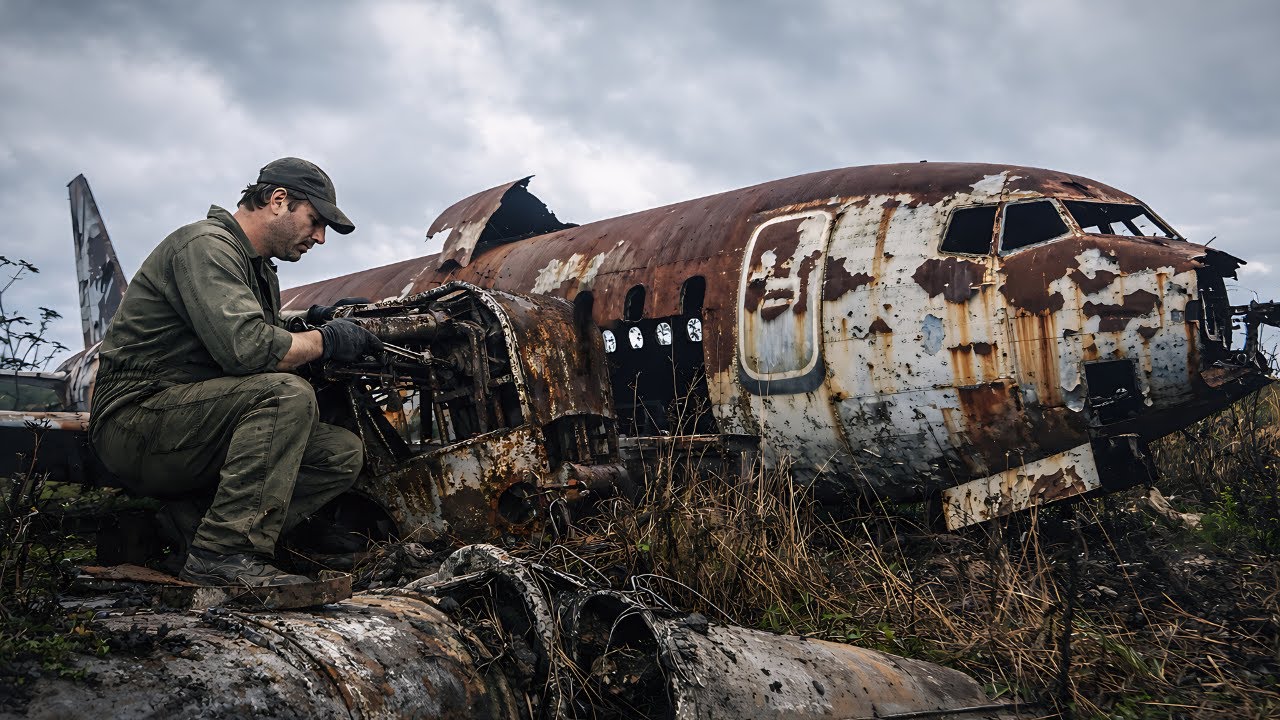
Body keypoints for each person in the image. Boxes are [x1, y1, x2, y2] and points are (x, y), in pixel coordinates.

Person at [89, 157, 382, 588]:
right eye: (315, 221)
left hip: (189, 420)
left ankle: (190, 527)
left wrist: (310, 325)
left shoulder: (257, 267)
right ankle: (223, 555)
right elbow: (247, 350)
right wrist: (327, 340)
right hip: (136, 420)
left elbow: (262, 334)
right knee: (284, 394)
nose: (320, 237)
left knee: (339, 453)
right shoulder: (206, 245)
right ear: (278, 201)